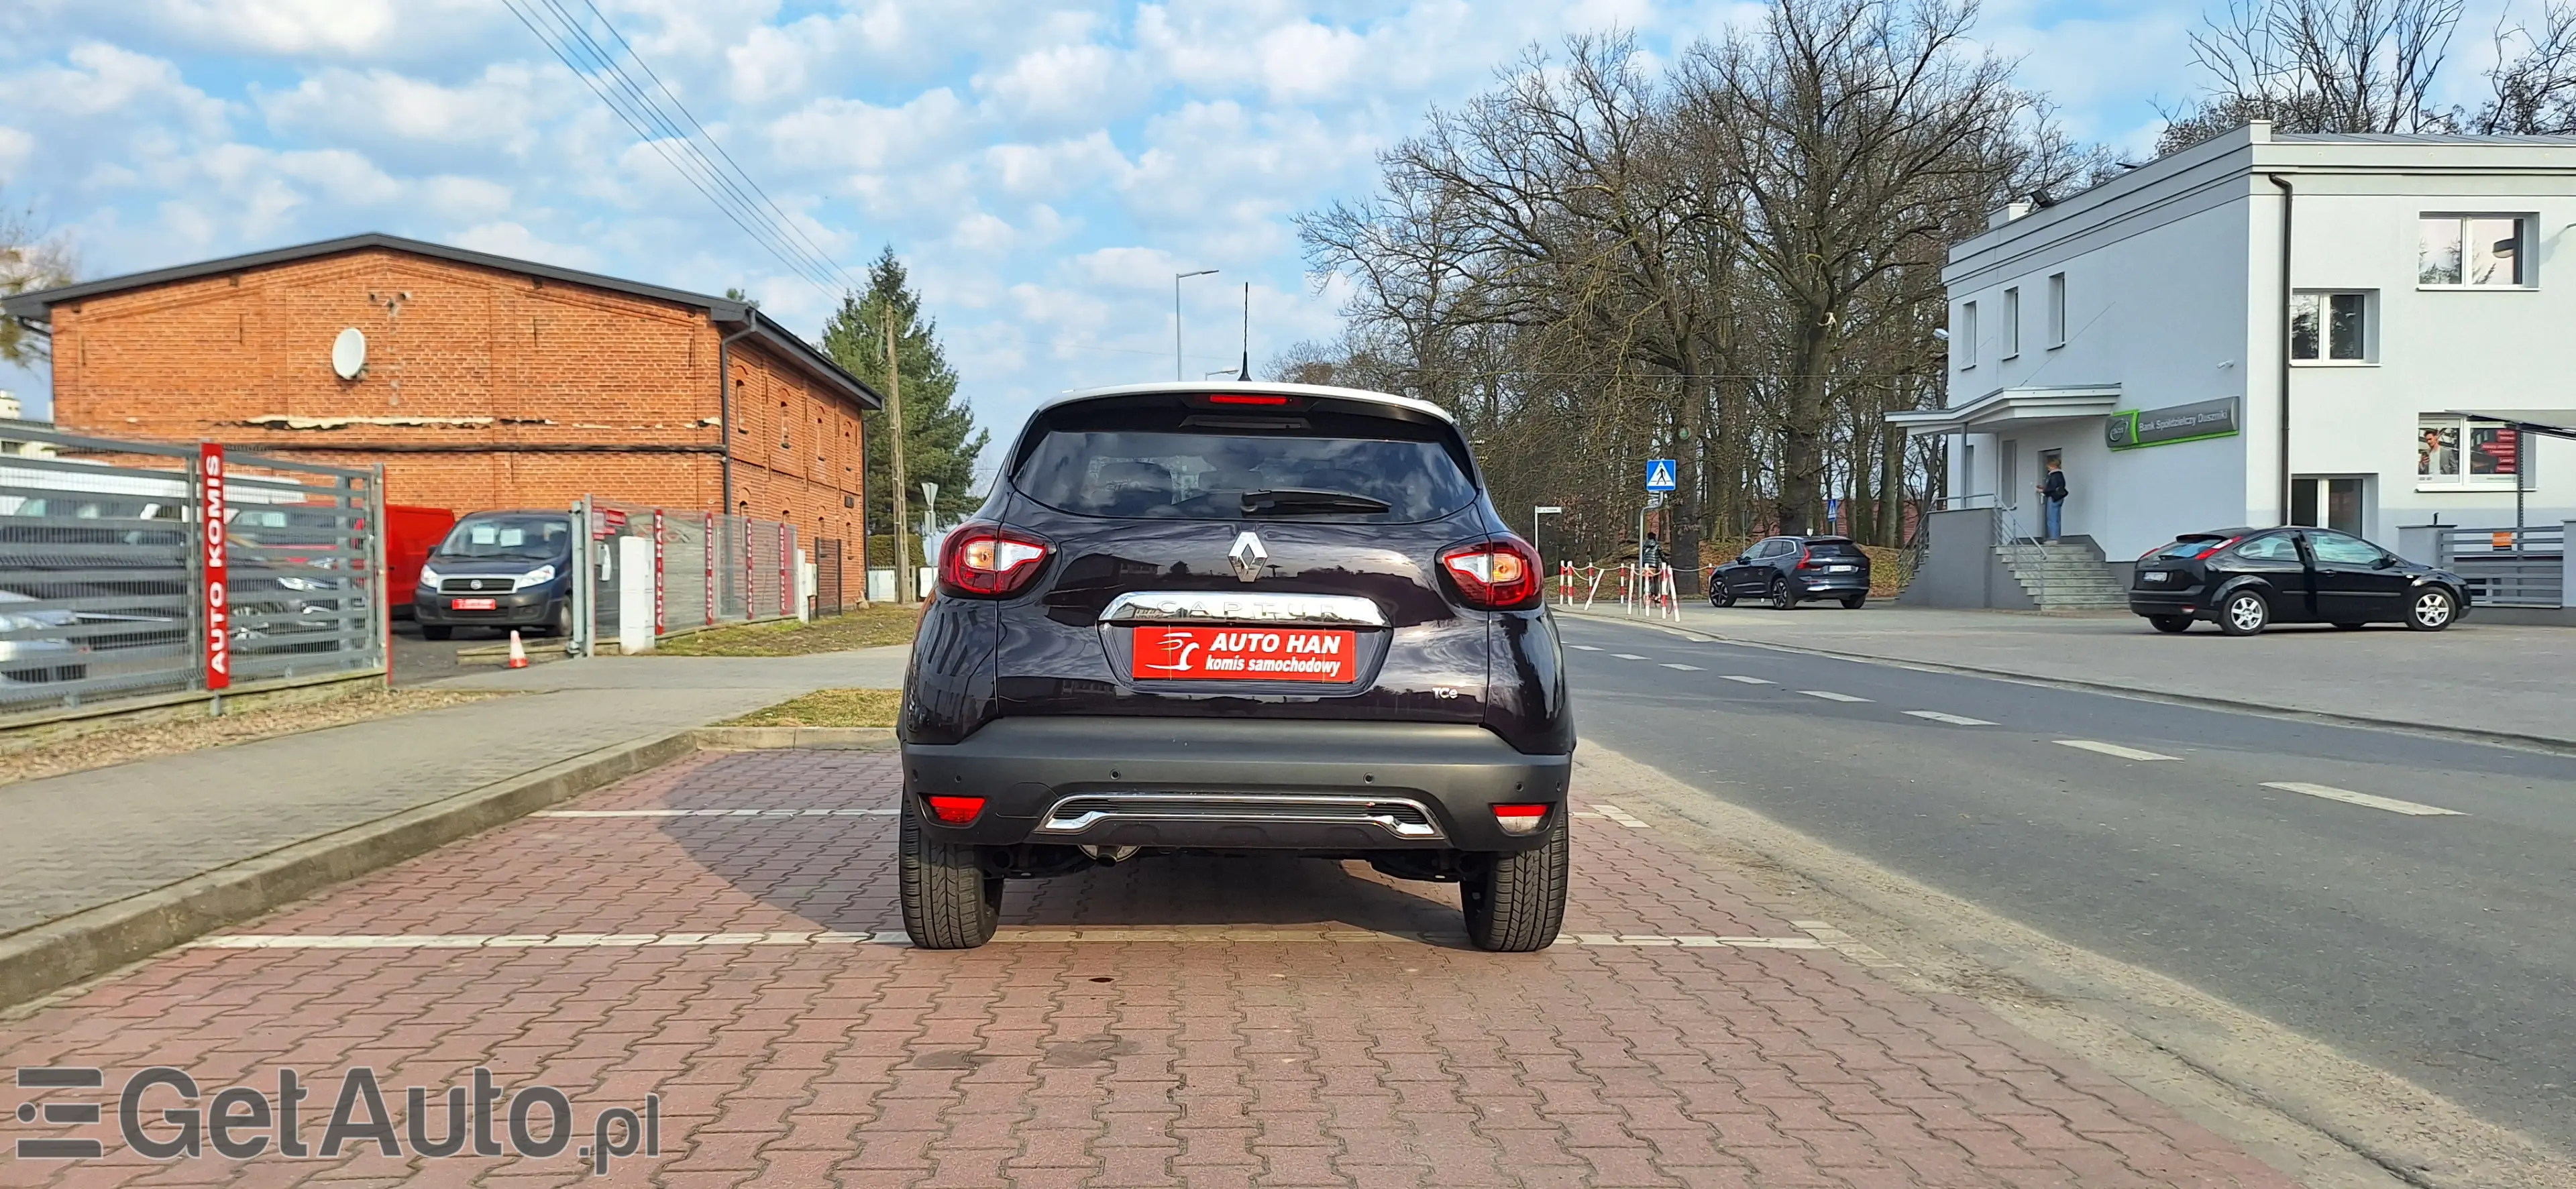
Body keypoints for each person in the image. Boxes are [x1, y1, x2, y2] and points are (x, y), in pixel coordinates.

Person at [2037, 458, 2068, 542]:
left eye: (2049, 467)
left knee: (2052, 518)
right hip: (2059, 498)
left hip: (2054, 498)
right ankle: (2056, 537)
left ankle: (2054, 538)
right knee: (2056, 518)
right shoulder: (2060, 475)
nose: (2048, 469)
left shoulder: (2054, 475)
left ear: (2053, 466)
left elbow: (2052, 488)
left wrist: (2043, 490)